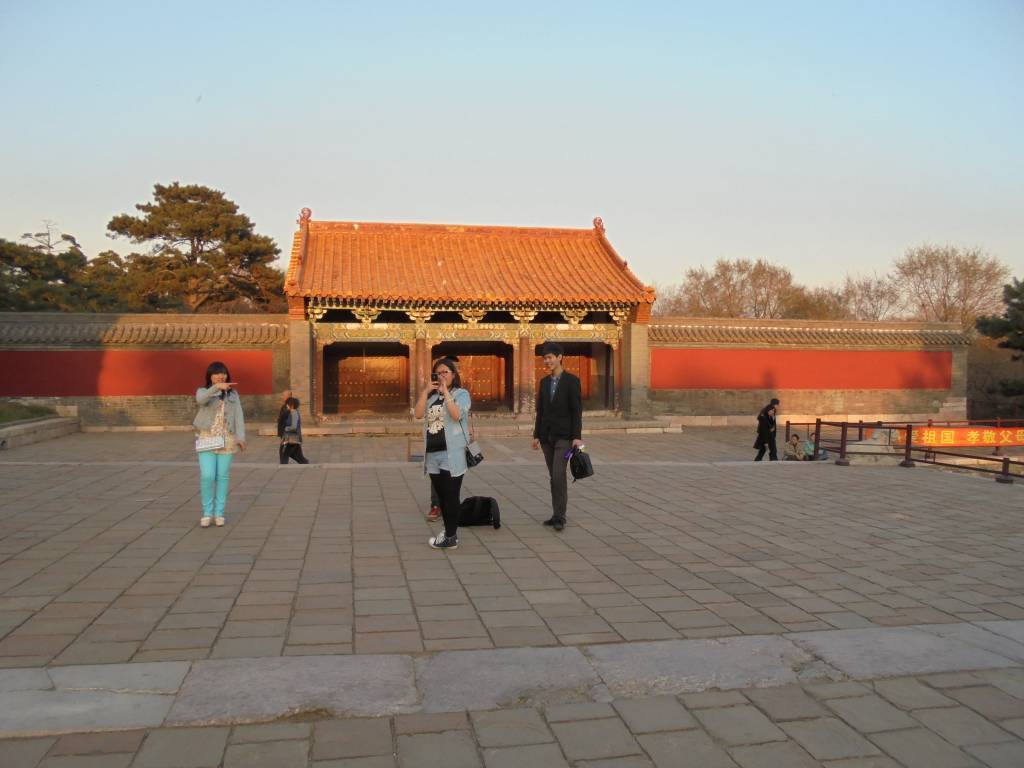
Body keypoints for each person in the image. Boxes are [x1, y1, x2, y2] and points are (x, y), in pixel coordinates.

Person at [414, 358, 472, 550]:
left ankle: (451, 536)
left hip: (452, 454)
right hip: (432, 454)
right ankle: (448, 532)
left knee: (451, 495)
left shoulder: (461, 394)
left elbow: (456, 415)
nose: (441, 376)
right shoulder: (431, 398)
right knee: (441, 496)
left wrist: (446, 392)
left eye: (445, 372)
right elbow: (418, 414)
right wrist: (425, 392)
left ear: (454, 375)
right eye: (438, 373)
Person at [532, 341, 583, 531]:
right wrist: (536, 435)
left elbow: (576, 411)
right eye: (545, 358)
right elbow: (541, 411)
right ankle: (556, 514)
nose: (547, 361)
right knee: (553, 477)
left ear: (560, 357)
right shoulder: (544, 382)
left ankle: (560, 516)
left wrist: (577, 436)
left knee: (558, 474)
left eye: (550, 357)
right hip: (547, 437)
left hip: (565, 437)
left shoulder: (572, 381)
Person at [193, 361, 246, 527]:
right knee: (207, 475)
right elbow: (200, 400)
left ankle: (219, 513)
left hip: (227, 439)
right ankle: (207, 513)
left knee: (222, 476)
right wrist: (216, 388)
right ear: (210, 376)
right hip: (207, 438)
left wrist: (241, 437)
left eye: (223, 373)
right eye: (216, 373)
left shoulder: (233, 395)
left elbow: (239, 415)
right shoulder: (203, 391)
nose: (220, 376)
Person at [280, 397, 310, 464]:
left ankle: (283, 467)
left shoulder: (294, 413)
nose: (286, 406)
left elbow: (293, 427)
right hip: (292, 438)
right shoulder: (290, 413)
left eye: (287, 404)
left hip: (292, 438)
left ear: (292, 405)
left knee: (284, 453)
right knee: (298, 456)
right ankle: (305, 463)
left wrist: (285, 428)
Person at [276, 389, 292, 464]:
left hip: (286, 431)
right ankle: (283, 463)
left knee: (283, 448)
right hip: (283, 430)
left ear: (288, 396)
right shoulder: (285, 406)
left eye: (283, 395)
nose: (282, 397)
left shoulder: (290, 406)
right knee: (284, 448)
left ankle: (284, 463)